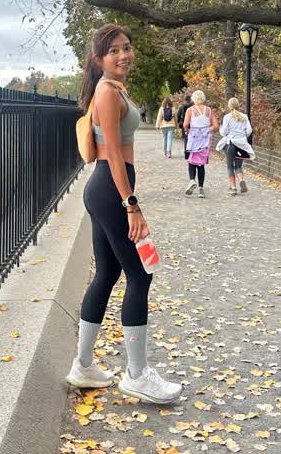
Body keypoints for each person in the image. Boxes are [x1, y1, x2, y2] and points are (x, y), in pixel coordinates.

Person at [66, 24, 182, 404]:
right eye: (113, 50)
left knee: (107, 273)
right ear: (99, 58)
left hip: (107, 189)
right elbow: (113, 155)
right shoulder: (106, 91)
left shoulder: (115, 88)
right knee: (140, 274)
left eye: (126, 47)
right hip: (111, 189)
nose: (123, 55)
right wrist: (131, 205)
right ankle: (137, 375)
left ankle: (83, 365)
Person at [216, 97, 255, 195]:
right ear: (238, 105)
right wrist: (242, 136)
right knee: (238, 166)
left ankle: (233, 188)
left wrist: (221, 129)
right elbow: (249, 130)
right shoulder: (244, 117)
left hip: (231, 144)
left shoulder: (227, 117)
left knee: (230, 166)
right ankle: (241, 179)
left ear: (229, 106)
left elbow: (224, 132)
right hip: (241, 145)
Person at [183, 90, 218, 198]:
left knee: (191, 160)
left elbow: (185, 124)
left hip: (194, 137)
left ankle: (192, 180)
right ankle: (201, 189)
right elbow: (216, 126)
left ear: (193, 99)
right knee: (201, 164)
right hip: (205, 139)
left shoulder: (190, 110)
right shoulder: (209, 110)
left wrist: (187, 131)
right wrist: (208, 129)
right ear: (203, 98)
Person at [177, 93, 192, 160]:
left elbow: (178, 115)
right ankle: (191, 152)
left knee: (185, 139)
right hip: (191, 124)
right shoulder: (192, 106)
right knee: (191, 138)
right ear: (190, 99)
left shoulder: (181, 106)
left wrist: (179, 122)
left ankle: (186, 153)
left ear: (184, 99)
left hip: (184, 124)